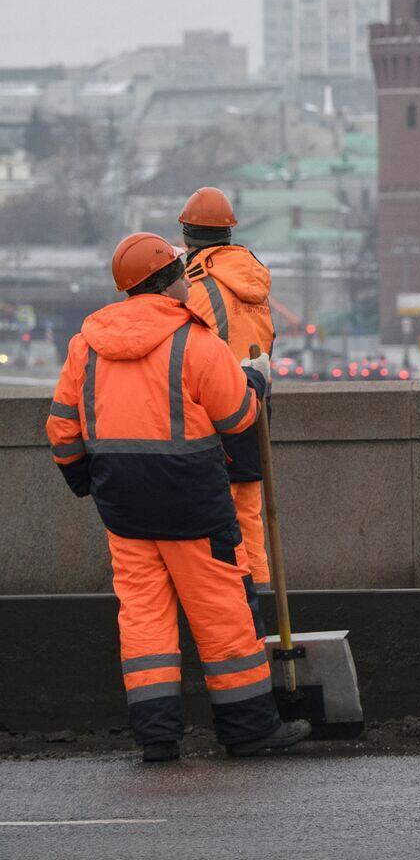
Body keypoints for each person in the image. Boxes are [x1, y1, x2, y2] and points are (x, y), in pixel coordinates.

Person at [45, 233, 308, 763]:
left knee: (143, 620)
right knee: (222, 612)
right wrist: (254, 382)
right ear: (169, 283)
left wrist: (85, 482)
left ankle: (157, 739)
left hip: (123, 506)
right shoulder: (195, 340)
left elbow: (62, 431)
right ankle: (249, 730)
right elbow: (236, 418)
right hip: (193, 502)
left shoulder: (85, 345)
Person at [178, 186, 278, 634]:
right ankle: (263, 605)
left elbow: (184, 353)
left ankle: (233, 613)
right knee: (250, 515)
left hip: (212, 413)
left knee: (212, 522)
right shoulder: (252, 279)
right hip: (254, 406)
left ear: (186, 235)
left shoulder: (196, 288)